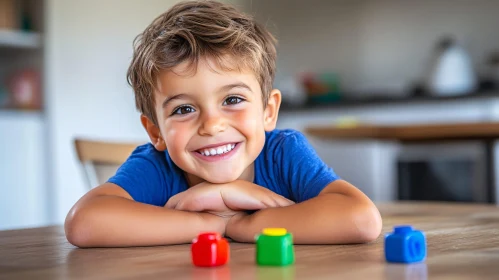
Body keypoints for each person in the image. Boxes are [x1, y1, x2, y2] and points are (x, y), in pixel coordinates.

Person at [65, 0, 382, 247]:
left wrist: (241, 217)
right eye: (184, 108)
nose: (212, 125)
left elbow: (361, 220)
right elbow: (84, 222)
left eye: (232, 100)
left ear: (268, 112)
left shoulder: (283, 153)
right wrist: (216, 223)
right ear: (156, 132)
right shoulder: (157, 166)